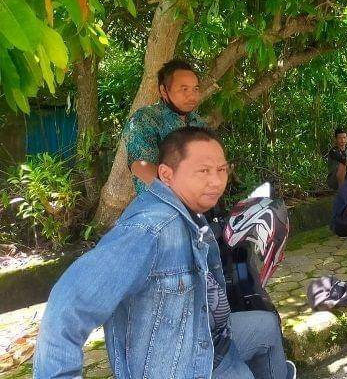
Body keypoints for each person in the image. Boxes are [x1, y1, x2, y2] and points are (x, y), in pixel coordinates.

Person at [34, 127, 296, 379]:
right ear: (166, 175)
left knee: (265, 326)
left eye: (221, 170)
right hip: (185, 367)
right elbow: (67, 307)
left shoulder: (191, 214)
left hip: (208, 339)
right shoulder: (151, 230)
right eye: (203, 171)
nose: (216, 181)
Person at [125, 59, 207, 194]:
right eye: (184, 89)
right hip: (159, 203)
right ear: (164, 90)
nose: (192, 95)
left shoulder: (198, 123)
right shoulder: (145, 118)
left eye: (195, 89)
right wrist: (182, 192)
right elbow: (140, 166)